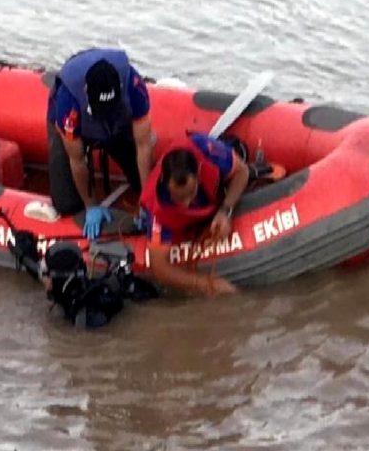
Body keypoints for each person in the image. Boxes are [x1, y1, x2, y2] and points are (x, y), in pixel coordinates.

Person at [46, 48, 154, 239]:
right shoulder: (68, 102)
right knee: (66, 204)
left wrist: (147, 200)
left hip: (117, 126)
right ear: (87, 92)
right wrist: (91, 205)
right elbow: (76, 160)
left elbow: (144, 145)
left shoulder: (134, 87)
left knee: (148, 185)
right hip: (80, 125)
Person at [139, 132, 250, 296]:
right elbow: (160, 268)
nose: (185, 203)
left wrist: (225, 211)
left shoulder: (206, 150)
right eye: (178, 198)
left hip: (214, 198)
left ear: (198, 174)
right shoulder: (157, 208)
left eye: (190, 194)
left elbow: (242, 172)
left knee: (236, 150)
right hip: (179, 224)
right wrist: (205, 284)